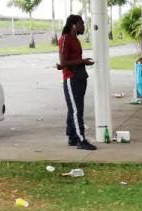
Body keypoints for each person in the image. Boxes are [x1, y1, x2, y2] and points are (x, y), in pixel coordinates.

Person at [58, 15, 96, 150]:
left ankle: (72, 137)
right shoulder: (65, 39)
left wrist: (82, 62)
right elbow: (63, 62)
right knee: (76, 111)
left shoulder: (75, 40)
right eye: (82, 24)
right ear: (74, 25)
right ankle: (81, 139)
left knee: (74, 109)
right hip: (71, 78)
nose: (83, 26)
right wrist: (83, 61)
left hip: (79, 78)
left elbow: (68, 60)